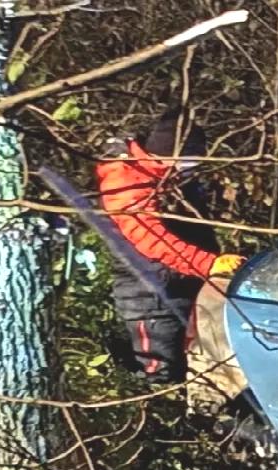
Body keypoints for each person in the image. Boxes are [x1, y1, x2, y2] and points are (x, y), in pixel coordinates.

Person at [95, 109, 245, 383]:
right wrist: (207, 263)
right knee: (159, 373)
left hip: (181, 286)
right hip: (149, 298)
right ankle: (154, 416)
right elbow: (152, 239)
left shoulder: (166, 176)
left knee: (196, 364)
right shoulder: (126, 182)